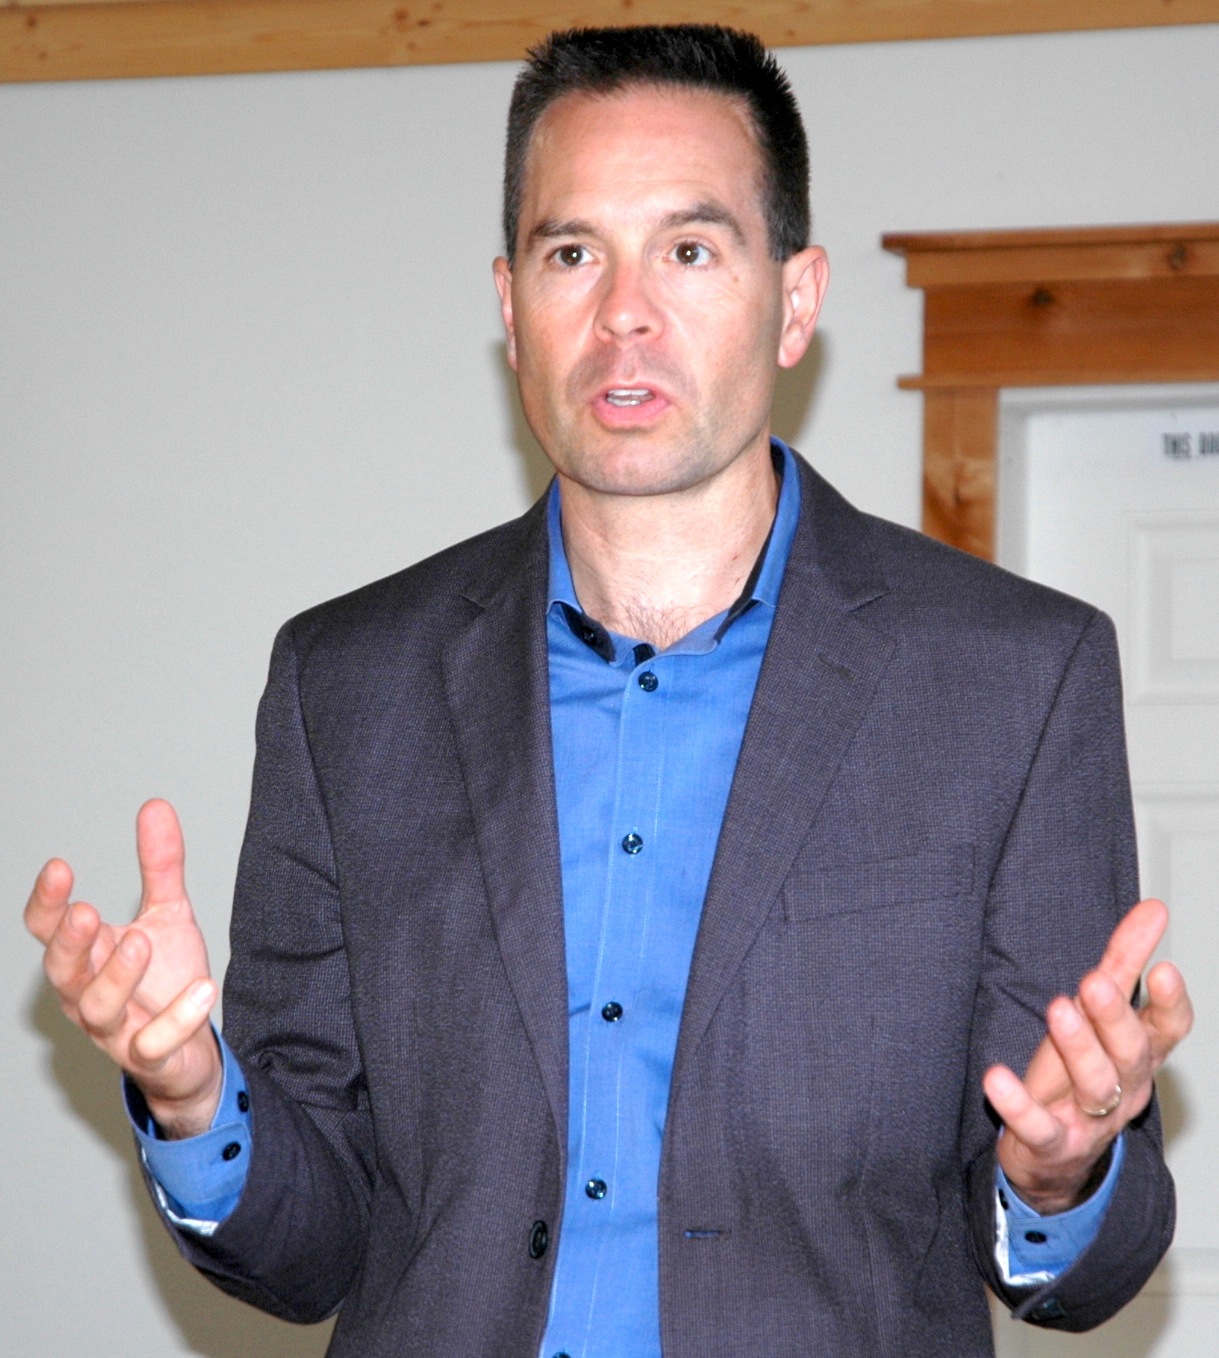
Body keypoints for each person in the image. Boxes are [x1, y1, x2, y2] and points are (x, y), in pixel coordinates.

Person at [25, 24, 1193, 1358]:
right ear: (510, 304)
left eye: (690, 250)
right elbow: (314, 1249)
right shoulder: (343, 684)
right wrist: (190, 1097)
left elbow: (1087, 1251)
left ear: (797, 301)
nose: (623, 310)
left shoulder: (1011, 679)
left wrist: (1057, 1177)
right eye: (571, 252)